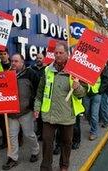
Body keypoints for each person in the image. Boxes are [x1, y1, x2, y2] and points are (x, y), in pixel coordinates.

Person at [34, 41, 87, 171]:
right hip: (49, 114)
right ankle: (46, 167)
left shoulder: (76, 71)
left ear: (67, 54)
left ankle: (64, 165)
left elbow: (83, 93)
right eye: (55, 53)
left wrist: (77, 87)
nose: (57, 55)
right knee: (47, 142)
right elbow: (40, 92)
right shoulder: (47, 70)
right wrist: (36, 107)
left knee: (66, 143)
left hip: (67, 114)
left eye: (60, 53)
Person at [2, 54, 40, 170]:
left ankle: (35, 151)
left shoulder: (31, 73)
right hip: (11, 112)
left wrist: (35, 107)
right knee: (12, 136)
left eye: (16, 61)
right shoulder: (6, 74)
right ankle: (13, 158)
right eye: (12, 61)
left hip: (26, 111)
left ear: (22, 62)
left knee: (29, 134)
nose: (13, 63)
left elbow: (38, 90)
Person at [0, 48, 23, 150]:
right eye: (1, 54)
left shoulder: (13, 66)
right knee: (2, 122)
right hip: (0, 98)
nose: (3, 55)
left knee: (15, 120)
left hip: (12, 97)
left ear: (8, 55)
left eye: (5, 54)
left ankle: (19, 139)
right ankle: (5, 141)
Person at [29, 53, 46, 140]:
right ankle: (39, 130)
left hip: (45, 96)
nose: (39, 59)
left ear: (44, 59)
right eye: (37, 58)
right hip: (35, 95)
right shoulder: (32, 69)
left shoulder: (46, 69)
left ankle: (44, 134)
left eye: (40, 58)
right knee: (37, 115)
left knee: (43, 116)